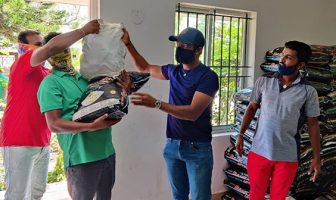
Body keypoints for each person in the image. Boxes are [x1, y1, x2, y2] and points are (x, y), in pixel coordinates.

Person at [33, 20, 132, 200]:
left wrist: (123, 89)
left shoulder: (85, 78)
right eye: (57, 50)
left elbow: (105, 102)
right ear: (48, 55)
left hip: (107, 151)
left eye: (66, 48)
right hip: (81, 157)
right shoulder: (50, 83)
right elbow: (54, 124)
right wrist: (91, 127)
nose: (63, 53)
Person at [123, 27, 219, 200]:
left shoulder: (208, 77)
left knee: (200, 197)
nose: (180, 48)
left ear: (198, 50)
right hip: (173, 145)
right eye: (178, 44)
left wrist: (157, 104)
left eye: (186, 45)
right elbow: (144, 67)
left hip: (197, 148)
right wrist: (128, 43)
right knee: (178, 196)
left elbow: (192, 113)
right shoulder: (173, 71)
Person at [235, 41, 321, 200]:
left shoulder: (308, 91)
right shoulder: (264, 81)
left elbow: (313, 124)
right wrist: (240, 135)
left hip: (287, 157)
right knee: (255, 196)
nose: (282, 60)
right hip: (259, 152)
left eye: (288, 57)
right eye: (282, 55)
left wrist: (316, 157)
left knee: (278, 197)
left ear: (300, 64)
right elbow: (252, 108)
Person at [0, 30, 51, 200]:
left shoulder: (48, 74)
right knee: (18, 195)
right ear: (22, 47)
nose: (42, 48)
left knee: (37, 193)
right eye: (37, 44)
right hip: (19, 140)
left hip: (43, 141)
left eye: (42, 43)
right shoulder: (22, 63)